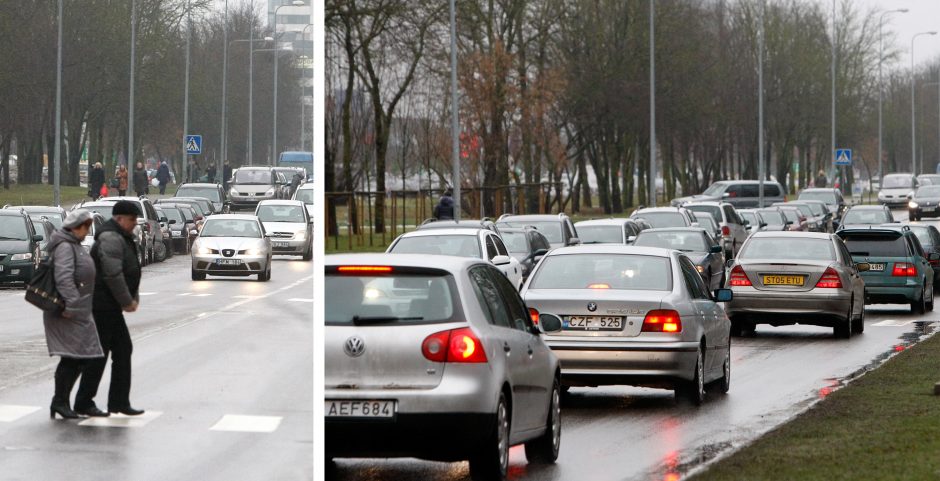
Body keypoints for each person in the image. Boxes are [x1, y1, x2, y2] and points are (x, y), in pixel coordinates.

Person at [75, 200, 144, 417]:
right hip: (102, 306)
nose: (134, 224)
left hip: (109, 306)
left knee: (122, 350)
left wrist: (132, 297)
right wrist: (127, 301)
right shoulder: (111, 238)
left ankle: (118, 402)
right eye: (132, 220)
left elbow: (129, 271)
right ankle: (84, 401)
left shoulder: (120, 236)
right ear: (119, 218)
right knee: (101, 354)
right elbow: (113, 275)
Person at [44, 209, 105, 419]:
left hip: (79, 309)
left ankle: (62, 401)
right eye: (85, 227)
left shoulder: (74, 245)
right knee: (73, 356)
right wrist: (70, 304)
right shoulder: (65, 247)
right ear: (75, 227)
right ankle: (60, 401)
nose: (87, 232)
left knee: (81, 356)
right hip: (67, 311)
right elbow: (63, 277)